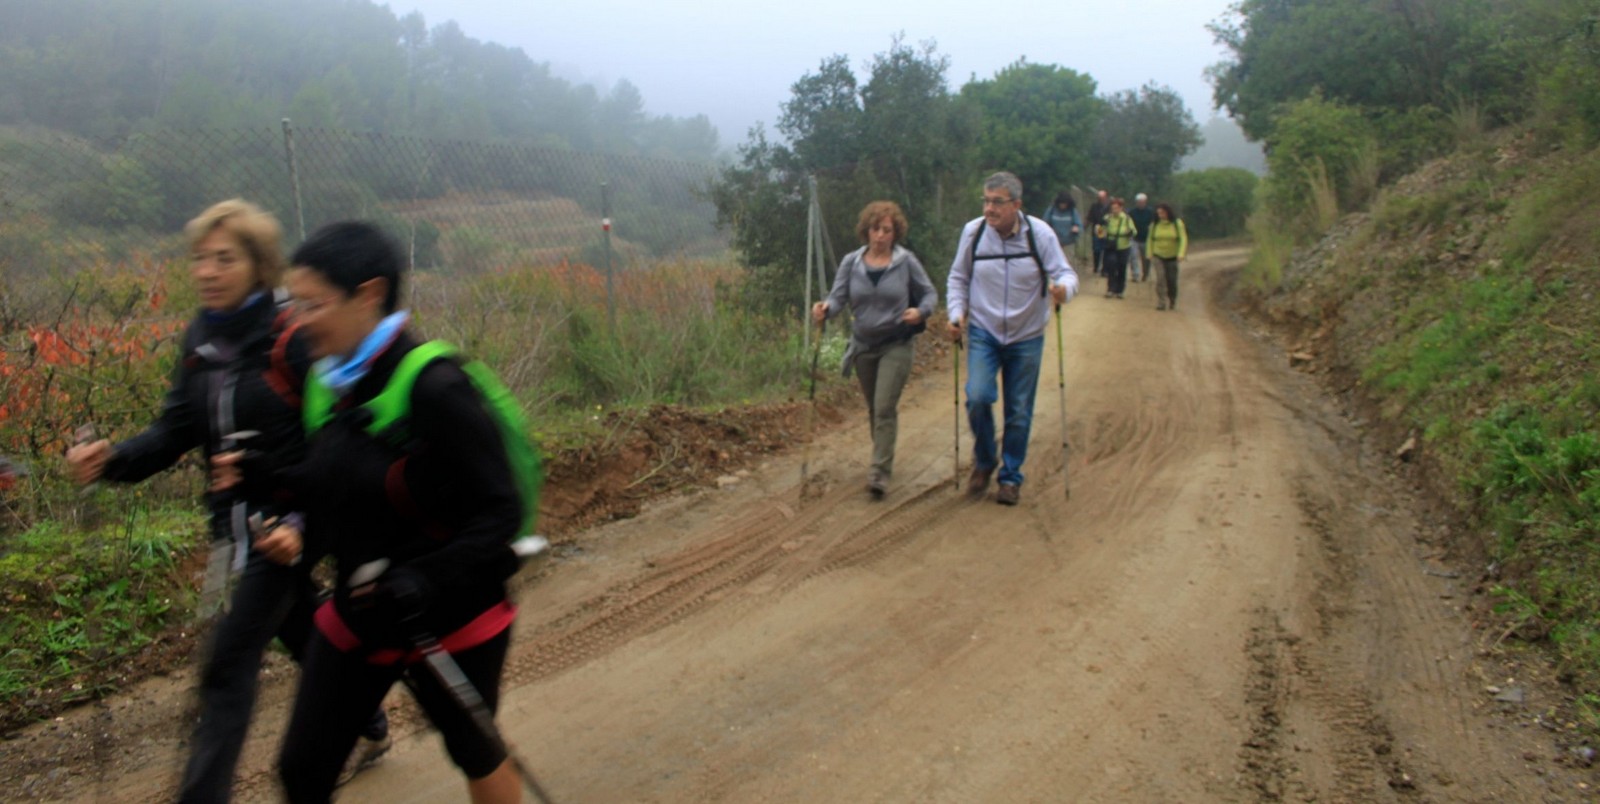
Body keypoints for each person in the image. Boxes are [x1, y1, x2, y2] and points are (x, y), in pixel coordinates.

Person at [64, 200, 389, 803]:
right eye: (200, 259)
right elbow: (175, 431)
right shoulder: (201, 341)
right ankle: (367, 717)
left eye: (224, 258)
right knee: (299, 626)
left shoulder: (294, 337)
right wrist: (111, 460)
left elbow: (339, 440)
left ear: (259, 265)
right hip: (235, 523)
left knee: (226, 665)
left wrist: (302, 522)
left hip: (290, 522)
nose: (207, 272)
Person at [261, 221, 525, 803]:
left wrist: (426, 578)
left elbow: (500, 510)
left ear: (369, 294)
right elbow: (336, 480)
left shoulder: (437, 386)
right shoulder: (329, 381)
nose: (299, 322)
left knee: (475, 750)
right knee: (303, 770)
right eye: (294, 304)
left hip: (456, 609)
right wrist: (276, 494)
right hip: (363, 606)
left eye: (314, 305)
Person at [946, 172, 1078, 505]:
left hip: (1026, 335)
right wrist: (956, 313)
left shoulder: (1040, 234)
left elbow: (1065, 273)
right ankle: (985, 459)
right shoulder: (973, 233)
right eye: (986, 201)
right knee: (977, 396)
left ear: (1016, 205)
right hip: (984, 331)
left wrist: (1063, 290)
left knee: (1018, 410)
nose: (989, 209)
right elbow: (958, 278)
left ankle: (1010, 477)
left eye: (997, 202)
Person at [812, 201, 936, 499]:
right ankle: (882, 453)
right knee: (874, 408)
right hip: (863, 346)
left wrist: (920, 312)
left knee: (883, 406)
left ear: (895, 233)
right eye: (875, 229)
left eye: (886, 230)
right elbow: (838, 297)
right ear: (866, 231)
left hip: (897, 343)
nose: (880, 235)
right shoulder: (851, 262)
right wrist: (825, 309)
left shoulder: (905, 262)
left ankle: (879, 471)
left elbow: (930, 294)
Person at [1146, 202, 1188, 311]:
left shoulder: (1177, 223)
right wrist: (1149, 252)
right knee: (1160, 278)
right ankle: (1161, 301)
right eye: (1159, 213)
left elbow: (1183, 238)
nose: (1161, 215)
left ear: (1168, 212)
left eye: (1162, 213)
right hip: (1158, 255)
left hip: (1172, 256)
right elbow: (1150, 239)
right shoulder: (1154, 225)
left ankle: (1172, 298)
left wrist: (1181, 253)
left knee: (1171, 280)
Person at [1096, 197, 1137, 300]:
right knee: (1111, 266)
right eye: (1113, 208)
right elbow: (1099, 230)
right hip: (1110, 246)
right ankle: (1110, 289)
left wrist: (1129, 233)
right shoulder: (1107, 218)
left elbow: (1134, 231)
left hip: (1124, 247)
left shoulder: (1126, 219)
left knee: (1122, 268)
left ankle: (1120, 290)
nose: (1114, 210)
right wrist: (1101, 232)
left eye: (1116, 208)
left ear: (1121, 208)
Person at [1128, 193, 1156, 283]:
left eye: (1142, 202)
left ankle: (1145, 274)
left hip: (1146, 238)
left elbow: (1153, 223)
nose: (1140, 203)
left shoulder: (1150, 212)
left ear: (1145, 202)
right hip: (1134, 238)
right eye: (1139, 202)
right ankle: (1135, 275)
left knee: (1146, 258)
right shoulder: (1131, 212)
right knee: (1133, 257)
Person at [1085, 189, 1109, 276]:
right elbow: (1089, 217)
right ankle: (1096, 267)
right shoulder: (1094, 206)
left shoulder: (1110, 207)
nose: (1101, 199)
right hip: (1098, 228)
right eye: (1099, 198)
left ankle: (1104, 269)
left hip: (1107, 228)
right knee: (1097, 249)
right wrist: (1085, 226)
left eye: (1102, 198)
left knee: (1106, 249)